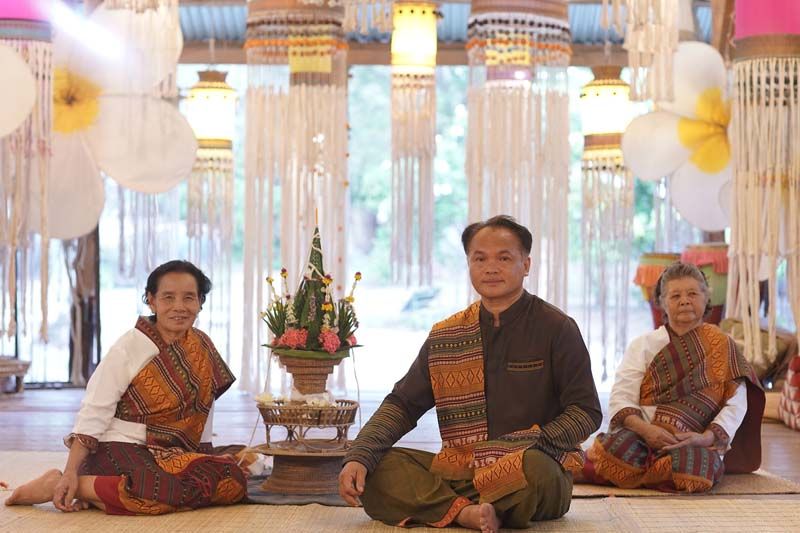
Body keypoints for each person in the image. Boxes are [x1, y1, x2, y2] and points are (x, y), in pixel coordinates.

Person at [339, 215, 602, 533]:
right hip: (463, 471)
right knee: (377, 468)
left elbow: (586, 412)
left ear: (526, 264)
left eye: (504, 258)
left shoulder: (556, 328)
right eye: (480, 259)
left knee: (534, 469)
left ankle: (446, 506)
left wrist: (523, 446)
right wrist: (361, 454)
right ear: (469, 265)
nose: (491, 268)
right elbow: (403, 404)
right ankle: (467, 513)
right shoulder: (446, 335)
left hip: (531, 471)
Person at [5, 260, 247, 514]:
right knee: (156, 489)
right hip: (118, 447)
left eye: (189, 298)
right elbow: (94, 410)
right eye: (168, 297)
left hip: (171, 452)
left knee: (231, 479)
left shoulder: (202, 345)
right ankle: (65, 484)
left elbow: (203, 408)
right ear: (151, 301)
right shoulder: (129, 346)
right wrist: (70, 471)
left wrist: (204, 458)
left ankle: (98, 493)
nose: (179, 306)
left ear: (200, 302)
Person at [586, 262, 764, 493]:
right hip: (642, 437)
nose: (684, 301)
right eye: (675, 295)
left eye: (692, 294)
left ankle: (625, 474)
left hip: (694, 442)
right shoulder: (643, 345)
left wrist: (706, 438)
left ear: (706, 297)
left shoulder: (723, 346)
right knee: (614, 449)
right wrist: (646, 431)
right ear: (662, 302)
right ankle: (654, 473)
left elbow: (736, 404)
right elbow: (621, 396)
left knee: (696, 472)